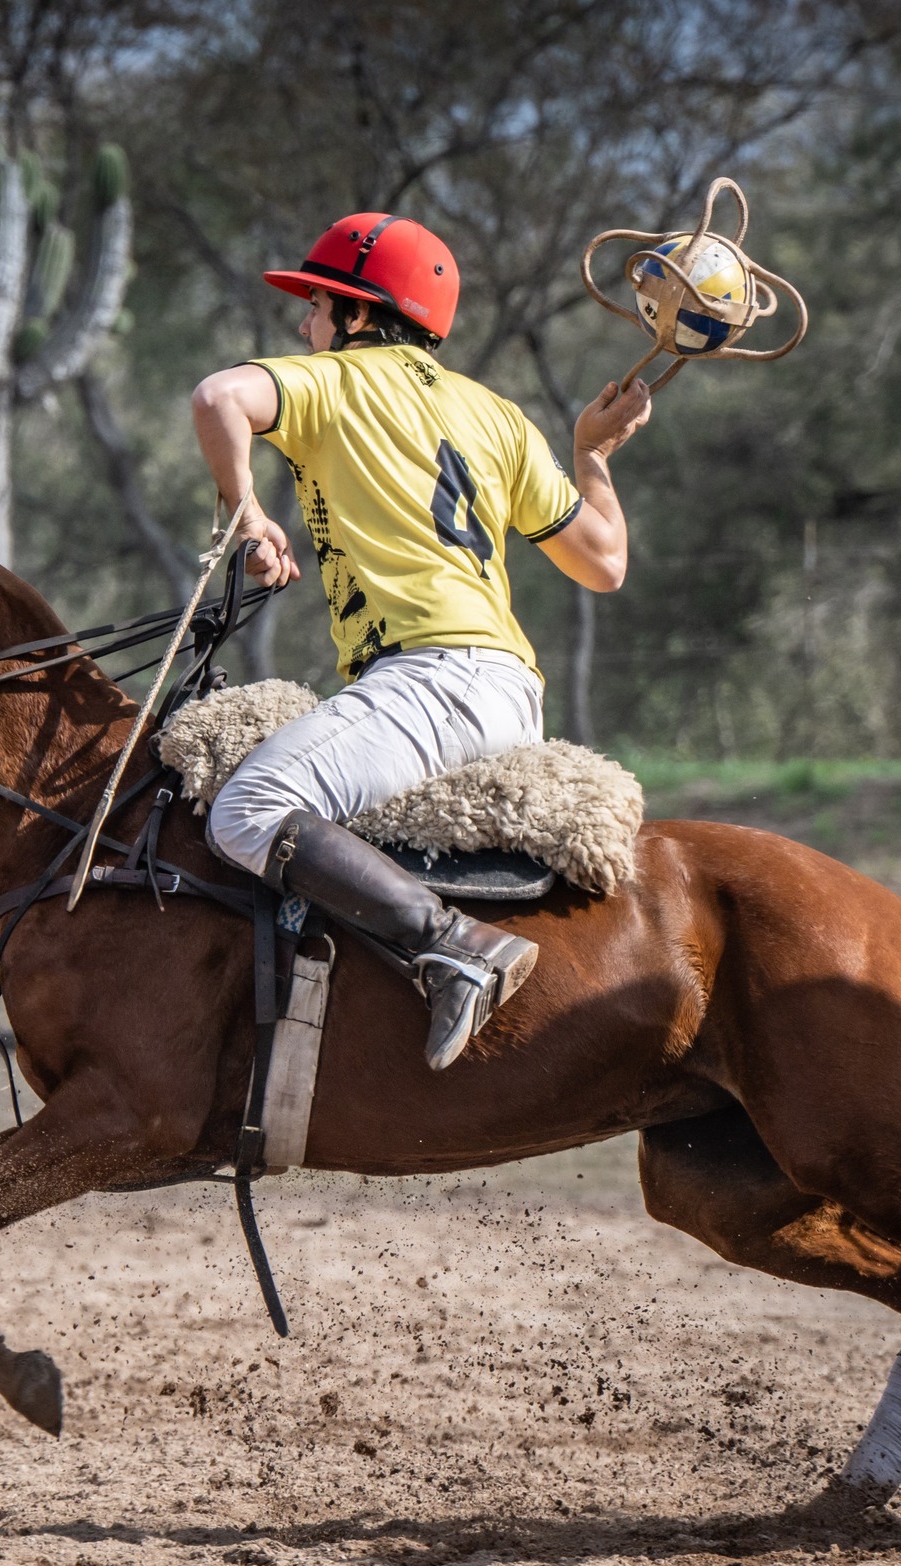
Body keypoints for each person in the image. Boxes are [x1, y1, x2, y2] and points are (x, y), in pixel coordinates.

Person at [190, 212, 652, 1070]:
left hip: (431, 683)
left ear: (359, 316)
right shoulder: (497, 414)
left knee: (247, 813)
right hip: (507, 690)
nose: (304, 327)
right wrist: (593, 456)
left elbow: (218, 397)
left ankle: (460, 949)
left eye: (317, 308)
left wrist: (248, 514)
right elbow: (605, 563)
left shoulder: (332, 382)